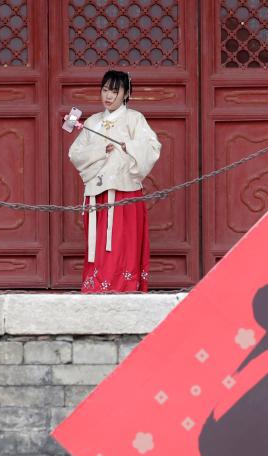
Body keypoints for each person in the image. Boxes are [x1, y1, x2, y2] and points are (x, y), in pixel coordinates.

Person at [68, 70, 161, 293]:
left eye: (115, 91)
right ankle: (97, 285)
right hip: (98, 194)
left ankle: (125, 286)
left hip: (125, 193)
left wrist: (131, 146)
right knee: (100, 244)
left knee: (123, 243)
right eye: (105, 90)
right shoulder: (92, 122)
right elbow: (75, 153)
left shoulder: (134, 119)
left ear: (126, 94)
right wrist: (101, 149)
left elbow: (152, 147)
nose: (108, 96)